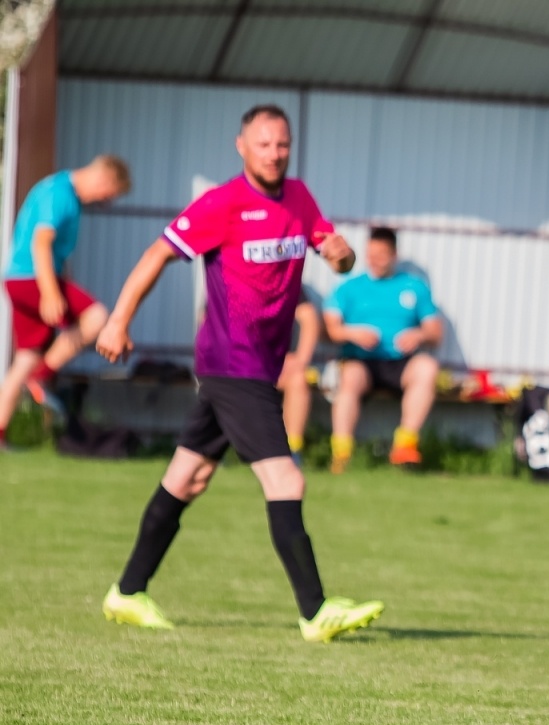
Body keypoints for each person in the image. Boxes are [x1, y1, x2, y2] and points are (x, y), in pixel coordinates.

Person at [95, 104, 384, 642]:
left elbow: (335, 257)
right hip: (234, 366)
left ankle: (127, 592)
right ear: (241, 146)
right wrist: (118, 320)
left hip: (259, 367)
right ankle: (315, 611)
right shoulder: (220, 205)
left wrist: (343, 258)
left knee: (188, 477)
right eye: (263, 144)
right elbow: (157, 255)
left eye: (282, 144)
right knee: (286, 478)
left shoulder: (299, 199)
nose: (274, 153)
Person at [0, 155, 130, 449]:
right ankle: (41, 377)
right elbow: (41, 241)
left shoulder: (59, 190)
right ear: (103, 179)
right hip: (31, 279)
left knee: (24, 359)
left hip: (19, 279)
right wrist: (50, 292)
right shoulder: (59, 194)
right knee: (97, 316)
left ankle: (0, 436)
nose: (103, 202)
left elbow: (57, 253)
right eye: (107, 196)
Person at [322, 227, 443, 472]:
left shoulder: (414, 287)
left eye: (381, 255)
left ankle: (405, 446)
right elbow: (330, 329)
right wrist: (353, 333)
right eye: (370, 255)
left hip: (401, 362)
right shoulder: (349, 287)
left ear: (394, 254)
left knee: (427, 368)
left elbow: (436, 333)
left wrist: (418, 334)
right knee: (351, 378)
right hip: (361, 361)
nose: (374, 261)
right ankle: (342, 454)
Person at [278, 296, 321, 465]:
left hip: (279, 366)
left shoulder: (283, 281)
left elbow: (309, 317)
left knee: (299, 379)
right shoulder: (230, 281)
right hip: (240, 364)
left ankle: (293, 450)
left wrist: (300, 361)